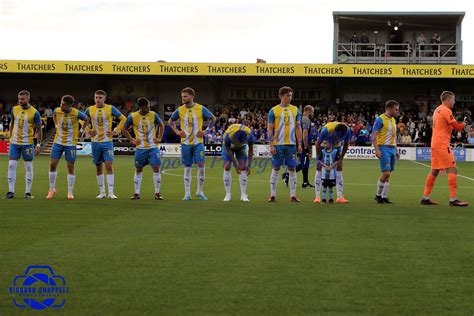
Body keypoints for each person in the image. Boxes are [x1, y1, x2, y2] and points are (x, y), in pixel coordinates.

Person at [421, 91, 470, 206]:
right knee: (453, 169)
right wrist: (465, 123)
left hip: (435, 142)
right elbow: (457, 127)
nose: (454, 102)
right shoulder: (446, 110)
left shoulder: (438, 109)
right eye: (453, 100)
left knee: (434, 170)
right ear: (447, 100)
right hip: (442, 144)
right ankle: (453, 200)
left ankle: (425, 198)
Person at [168, 87, 216, 201]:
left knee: (201, 166)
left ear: (191, 96)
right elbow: (170, 121)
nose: (183, 98)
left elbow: (213, 119)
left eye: (185, 96)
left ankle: (199, 191)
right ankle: (187, 193)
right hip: (185, 144)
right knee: (187, 167)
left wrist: (206, 131)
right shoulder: (179, 110)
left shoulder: (200, 108)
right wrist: (177, 132)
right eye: (182, 96)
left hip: (198, 143)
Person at [84, 90, 127, 199]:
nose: (98, 99)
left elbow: (123, 119)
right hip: (95, 142)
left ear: (104, 99)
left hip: (107, 142)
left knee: (109, 165)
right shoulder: (90, 109)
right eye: (96, 97)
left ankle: (111, 192)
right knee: (98, 167)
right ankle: (102, 192)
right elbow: (82, 120)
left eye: (100, 97)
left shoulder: (110, 108)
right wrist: (88, 130)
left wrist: (115, 131)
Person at [122, 97, 165, 200]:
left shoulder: (153, 115)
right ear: (141, 107)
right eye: (147, 107)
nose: (149, 109)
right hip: (140, 148)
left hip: (153, 147)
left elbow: (161, 125)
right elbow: (124, 129)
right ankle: (137, 193)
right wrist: (132, 140)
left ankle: (157, 193)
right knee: (138, 169)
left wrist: (159, 138)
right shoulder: (133, 116)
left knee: (156, 168)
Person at [46, 95, 88, 200]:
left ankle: (70, 192)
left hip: (70, 143)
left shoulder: (76, 113)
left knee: (70, 167)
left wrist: (82, 131)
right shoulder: (57, 110)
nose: (61, 106)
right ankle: (52, 189)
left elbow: (86, 119)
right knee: (52, 164)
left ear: (70, 105)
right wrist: (56, 125)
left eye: (63, 104)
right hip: (58, 142)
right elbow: (54, 115)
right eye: (61, 103)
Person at [267, 86, 303, 202]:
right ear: (281, 96)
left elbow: (298, 128)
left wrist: (300, 144)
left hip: (291, 144)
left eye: (291, 95)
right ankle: (272, 195)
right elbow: (269, 129)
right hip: (278, 144)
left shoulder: (295, 109)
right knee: (276, 168)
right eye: (288, 95)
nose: (290, 98)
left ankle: (293, 195)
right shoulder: (273, 110)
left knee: (292, 168)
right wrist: (271, 145)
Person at [5, 90, 42, 199]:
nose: (20, 101)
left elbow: (39, 130)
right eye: (19, 99)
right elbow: (12, 124)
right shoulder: (14, 109)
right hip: (14, 143)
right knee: (11, 165)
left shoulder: (35, 113)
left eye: (22, 99)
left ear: (28, 99)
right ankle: (11, 192)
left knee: (28, 167)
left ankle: (27, 192)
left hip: (27, 143)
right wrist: (10, 137)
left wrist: (38, 144)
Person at [314, 122, 351, 203]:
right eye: (337, 135)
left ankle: (340, 197)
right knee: (319, 167)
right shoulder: (326, 130)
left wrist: (341, 157)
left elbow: (346, 144)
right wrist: (319, 158)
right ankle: (317, 196)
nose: (338, 137)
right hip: (324, 145)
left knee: (339, 167)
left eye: (340, 136)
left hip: (337, 147)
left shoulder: (347, 131)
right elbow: (317, 144)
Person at [371, 100, 400, 204]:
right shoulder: (380, 119)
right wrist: (377, 149)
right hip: (383, 148)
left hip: (392, 148)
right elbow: (373, 136)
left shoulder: (393, 120)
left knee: (388, 174)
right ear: (390, 108)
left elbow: (394, 136)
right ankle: (378, 195)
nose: (397, 111)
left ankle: (384, 196)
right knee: (386, 173)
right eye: (396, 109)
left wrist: (396, 150)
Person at [281, 105, 314, 188]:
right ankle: (287, 174)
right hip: (303, 144)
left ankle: (305, 182)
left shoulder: (300, 119)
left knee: (305, 163)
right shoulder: (306, 119)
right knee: (304, 163)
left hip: (299, 143)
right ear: (309, 111)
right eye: (313, 112)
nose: (313, 114)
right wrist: (305, 146)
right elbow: (305, 133)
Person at [222, 123, 254, 202]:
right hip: (229, 147)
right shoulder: (228, 136)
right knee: (227, 166)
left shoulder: (250, 135)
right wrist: (235, 165)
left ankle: (243, 194)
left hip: (241, 148)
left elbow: (251, 149)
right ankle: (228, 194)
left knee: (243, 167)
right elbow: (228, 149)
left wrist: (249, 165)